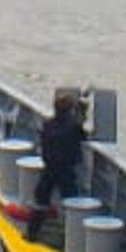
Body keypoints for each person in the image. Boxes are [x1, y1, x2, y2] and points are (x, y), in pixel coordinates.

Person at [33, 89, 88, 231]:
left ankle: (32, 233)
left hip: (49, 168)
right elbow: (82, 135)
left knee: (41, 199)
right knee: (72, 202)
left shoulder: (48, 125)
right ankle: (72, 234)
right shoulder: (73, 126)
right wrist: (82, 112)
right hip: (65, 170)